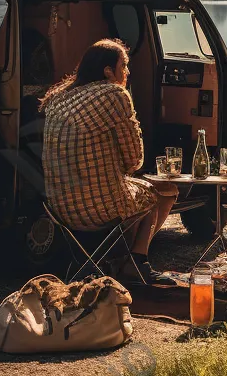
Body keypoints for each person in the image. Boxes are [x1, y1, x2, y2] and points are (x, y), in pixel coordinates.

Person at [42, 39, 178, 284]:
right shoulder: (114, 93)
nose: (127, 72)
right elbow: (135, 160)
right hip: (97, 208)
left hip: (59, 209)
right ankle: (136, 262)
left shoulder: (60, 96)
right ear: (107, 71)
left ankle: (111, 259)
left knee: (129, 193)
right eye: (123, 66)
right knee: (161, 192)